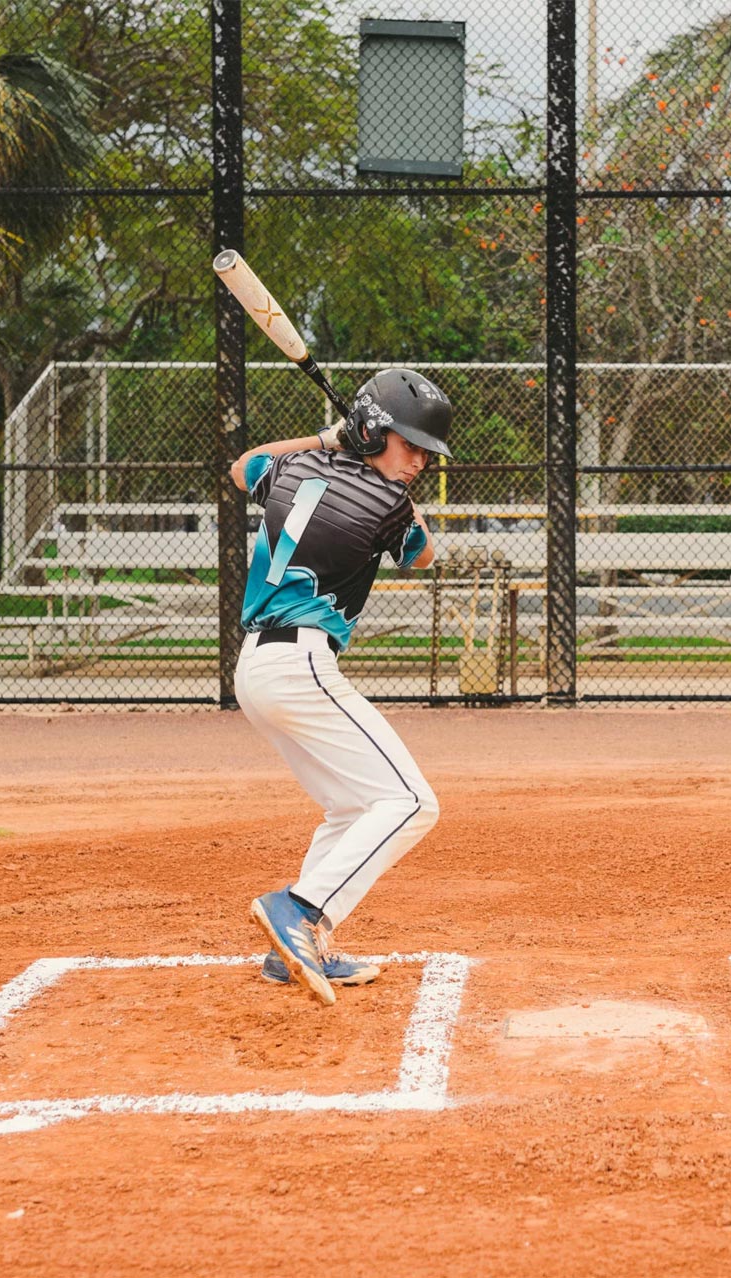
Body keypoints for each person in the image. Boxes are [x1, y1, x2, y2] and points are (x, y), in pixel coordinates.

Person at [230, 367, 450, 1007]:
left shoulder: (292, 471)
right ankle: (297, 910)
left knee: (352, 807)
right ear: (375, 430)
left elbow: (244, 467)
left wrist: (330, 439)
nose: (418, 464)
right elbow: (425, 555)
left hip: (258, 669)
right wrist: (389, 486)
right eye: (410, 447)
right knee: (413, 803)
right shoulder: (390, 507)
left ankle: (296, 946)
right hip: (300, 667)